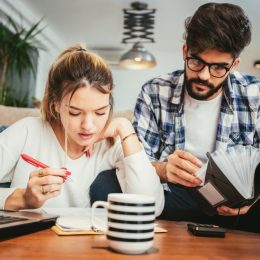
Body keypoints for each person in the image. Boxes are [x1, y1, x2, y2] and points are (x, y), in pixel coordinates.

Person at [133, 3, 260, 232]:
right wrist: (163, 170)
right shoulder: (154, 91)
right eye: (196, 61)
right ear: (185, 51)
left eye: (219, 68)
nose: (203, 75)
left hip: (238, 207)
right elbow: (136, 162)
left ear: (234, 65)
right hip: (176, 196)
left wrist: (254, 200)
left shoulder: (255, 95)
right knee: (105, 184)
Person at [0, 44, 164, 216]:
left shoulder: (113, 144)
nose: (88, 125)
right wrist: (22, 198)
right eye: (75, 112)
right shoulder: (27, 131)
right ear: (55, 104)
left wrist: (126, 129)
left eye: (100, 112)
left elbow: (151, 206)